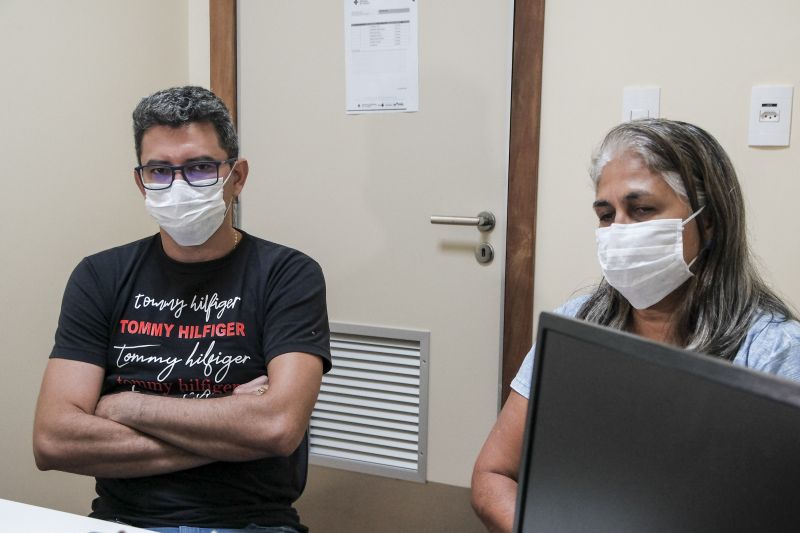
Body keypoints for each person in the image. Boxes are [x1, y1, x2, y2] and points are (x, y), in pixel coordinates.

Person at [470, 118, 800, 533]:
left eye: (642, 209)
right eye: (606, 215)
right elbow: (492, 476)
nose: (619, 232)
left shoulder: (774, 351)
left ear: (709, 221)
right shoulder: (575, 323)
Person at [33, 86, 331, 533]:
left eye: (200, 168)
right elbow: (53, 441)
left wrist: (129, 406)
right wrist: (233, 431)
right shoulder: (100, 275)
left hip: (250, 521)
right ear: (140, 181)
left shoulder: (287, 274)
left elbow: (277, 428)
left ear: (238, 176)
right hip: (123, 519)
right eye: (159, 171)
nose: (178, 186)